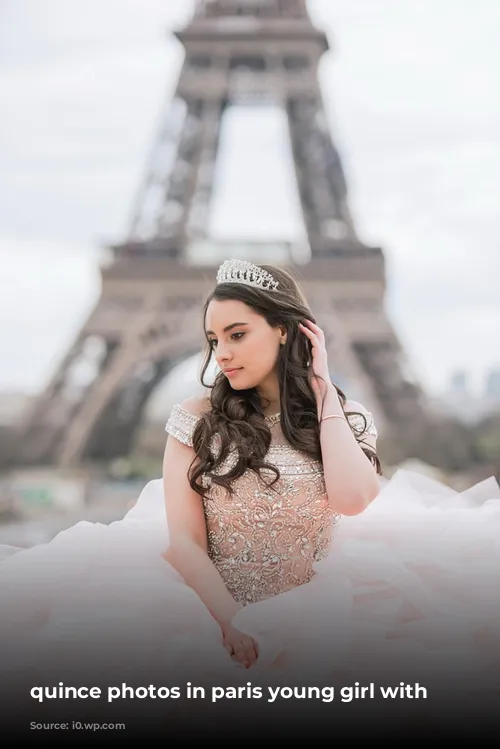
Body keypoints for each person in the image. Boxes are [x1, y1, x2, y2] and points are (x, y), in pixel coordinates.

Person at [0, 259, 499, 737]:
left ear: (285, 330)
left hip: (326, 613)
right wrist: (234, 624)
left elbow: (352, 499)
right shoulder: (194, 419)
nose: (223, 353)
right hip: (213, 614)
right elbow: (186, 544)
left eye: (238, 335)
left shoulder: (345, 417)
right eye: (215, 340)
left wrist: (324, 391)